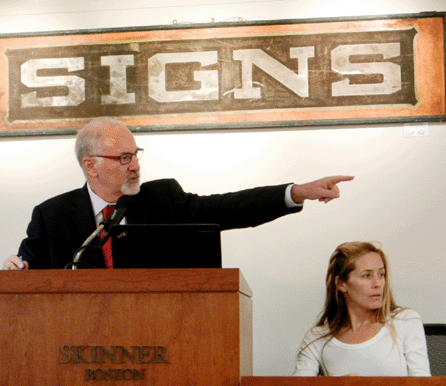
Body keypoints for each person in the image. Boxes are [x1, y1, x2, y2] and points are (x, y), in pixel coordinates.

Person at [3, 117, 354, 270]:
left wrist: (295, 192)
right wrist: (16, 276)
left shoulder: (162, 199)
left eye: (136, 155)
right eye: (123, 158)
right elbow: (30, 273)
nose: (135, 166)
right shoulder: (51, 215)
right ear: (91, 166)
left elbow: (228, 208)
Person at [292, 241, 431, 377]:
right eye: (366, 275)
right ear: (341, 284)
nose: (377, 284)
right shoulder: (316, 338)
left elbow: (424, 382)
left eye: (381, 274)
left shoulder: (405, 320)